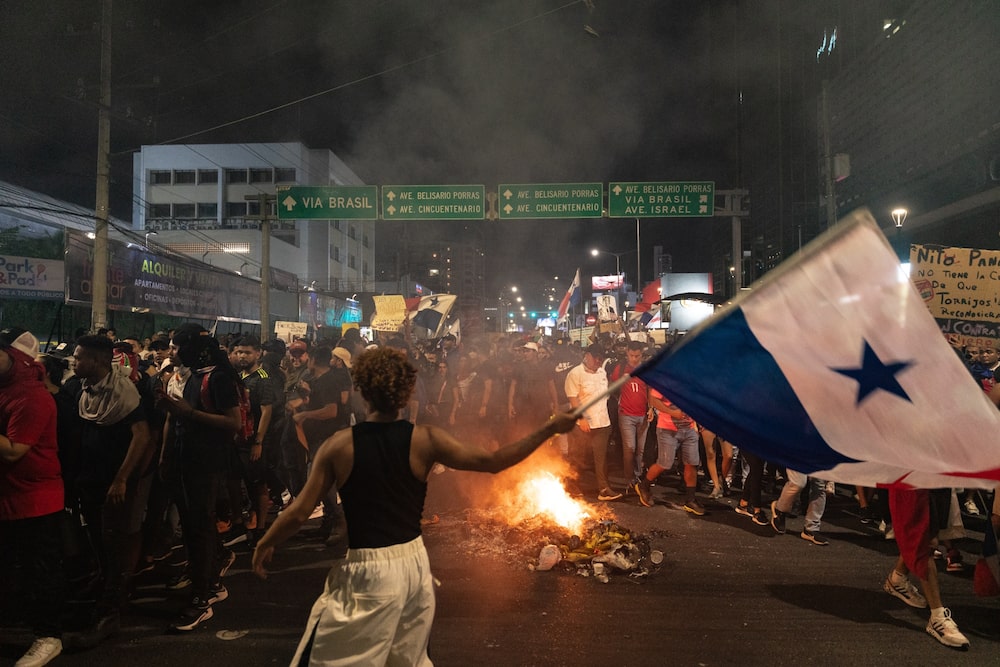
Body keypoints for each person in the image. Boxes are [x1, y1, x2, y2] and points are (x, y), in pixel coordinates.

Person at [252, 347, 575, 665]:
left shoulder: (339, 445)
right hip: (413, 565)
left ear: (361, 392)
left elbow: (299, 511)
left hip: (368, 568)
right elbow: (493, 461)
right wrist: (548, 428)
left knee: (338, 657)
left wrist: (267, 540)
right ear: (407, 393)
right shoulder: (426, 439)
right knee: (406, 658)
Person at [69, 335, 153, 644]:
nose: (73, 362)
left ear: (99, 361)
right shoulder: (80, 388)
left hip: (113, 484)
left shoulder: (123, 393)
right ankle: (105, 594)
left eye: (79, 358)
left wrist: (121, 478)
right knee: (99, 542)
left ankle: (110, 613)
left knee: (114, 544)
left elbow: (142, 436)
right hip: (89, 480)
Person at [158, 323, 242, 632]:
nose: (173, 352)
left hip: (206, 463)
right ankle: (208, 574)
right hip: (184, 460)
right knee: (194, 526)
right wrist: (165, 456)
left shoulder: (217, 378)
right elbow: (172, 419)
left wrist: (188, 413)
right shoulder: (186, 376)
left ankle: (203, 595)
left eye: (177, 346)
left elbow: (233, 422)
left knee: (201, 526)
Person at [0, 328, 66, 667]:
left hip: (36, 500)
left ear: (15, 358)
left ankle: (48, 638)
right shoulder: (6, 390)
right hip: (8, 497)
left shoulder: (32, 396)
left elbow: (14, 451)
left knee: (40, 572)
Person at [882, 487, 969, 649]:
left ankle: (897, 578)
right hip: (911, 480)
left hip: (933, 478)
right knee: (925, 541)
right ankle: (937, 616)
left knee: (928, 536)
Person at [565, 343, 620, 501]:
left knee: (601, 458)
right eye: (595, 358)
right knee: (578, 457)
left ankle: (604, 489)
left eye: (600, 358)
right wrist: (581, 419)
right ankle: (571, 485)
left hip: (602, 423)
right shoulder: (575, 374)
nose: (597, 361)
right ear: (587, 356)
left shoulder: (602, 372)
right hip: (582, 425)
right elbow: (573, 399)